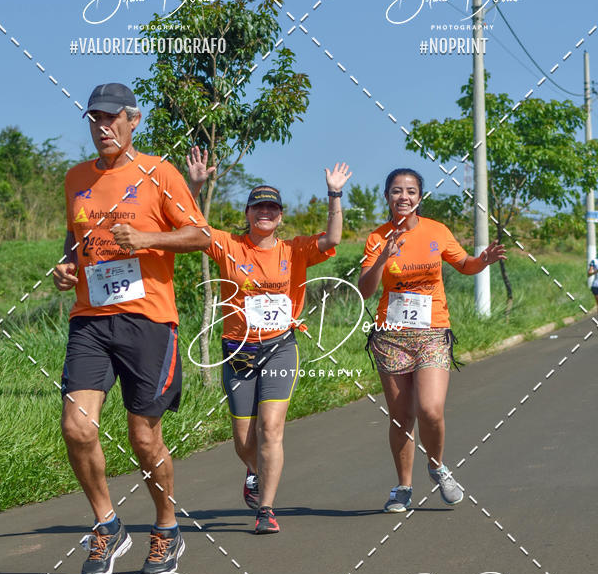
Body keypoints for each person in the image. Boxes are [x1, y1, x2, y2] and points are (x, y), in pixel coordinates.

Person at [54, 83, 211, 574]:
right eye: (94, 121)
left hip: (148, 319)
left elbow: (201, 234)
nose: (102, 129)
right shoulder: (75, 178)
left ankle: (166, 527)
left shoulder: (159, 173)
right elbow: (72, 241)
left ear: (133, 120)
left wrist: (147, 238)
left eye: (111, 119)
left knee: (143, 438)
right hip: (91, 319)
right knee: (77, 426)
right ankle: (108, 523)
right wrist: (64, 267)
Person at [187, 147, 350, 534]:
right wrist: (195, 186)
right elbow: (193, 228)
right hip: (238, 349)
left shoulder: (294, 250)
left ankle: (266, 509)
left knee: (270, 430)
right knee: (245, 440)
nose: (265, 214)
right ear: (247, 214)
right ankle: (254, 470)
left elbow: (333, 237)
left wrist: (334, 195)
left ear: (280, 216)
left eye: (272, 209)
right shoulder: (229, 246)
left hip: (280, 345)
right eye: (258, 208)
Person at [358, 168, 505, 512]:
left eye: (410, 191)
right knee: (400, 417)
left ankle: (437, 465)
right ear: (387, 197)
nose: (403, 197)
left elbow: (465, 264)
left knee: (430, 409)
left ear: (419, 197)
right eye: (396, 191)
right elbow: (365, 290)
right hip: (391, 337)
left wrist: (482, 260)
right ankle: (403, 487)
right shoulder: (377, 238)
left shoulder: (436, 231)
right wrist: (383, 258)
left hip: (433, 332)